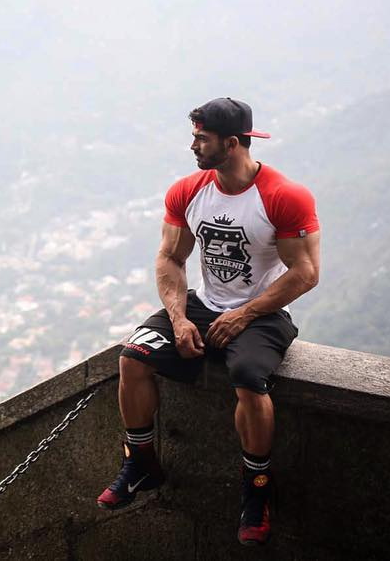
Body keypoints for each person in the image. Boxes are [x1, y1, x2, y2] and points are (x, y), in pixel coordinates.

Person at [96, 98, 321, 546]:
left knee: (248, 379)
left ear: (232, 143)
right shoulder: (188, 191)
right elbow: (170, 257)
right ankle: (141, 463)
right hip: (202, 304)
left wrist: (245, 313)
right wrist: (179, 318)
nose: (193, 146)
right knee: (133, 356)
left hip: (263, 312)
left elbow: (305, 272)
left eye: (202, 138)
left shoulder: (283, 196)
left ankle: (257, 488)